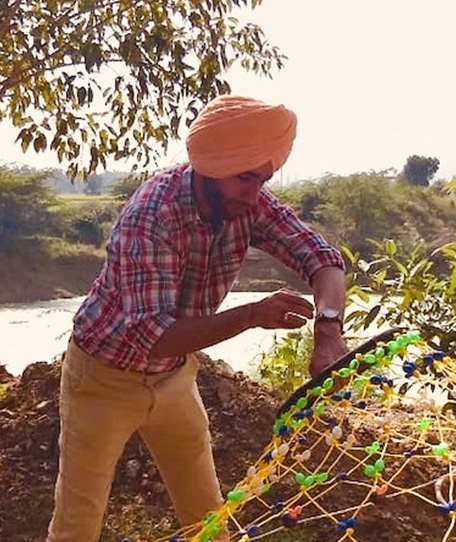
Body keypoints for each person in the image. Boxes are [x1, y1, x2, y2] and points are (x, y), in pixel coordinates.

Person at [47, 95, 348, 541]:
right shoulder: (152, 215)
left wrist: (328, 329)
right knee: (79, 519)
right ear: (210, 169)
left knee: (208, 515)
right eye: (246, 179)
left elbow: (322, 258)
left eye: (263, 179)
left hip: (174, 378)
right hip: (103, 380)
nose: (255, 193)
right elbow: (152, 335)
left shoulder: (248, 200)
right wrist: (251, 315)